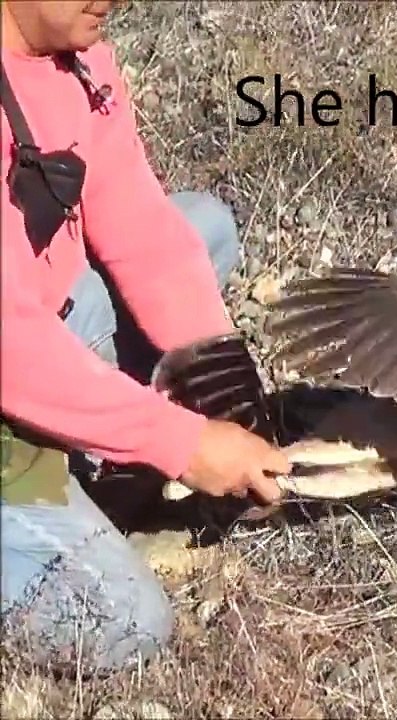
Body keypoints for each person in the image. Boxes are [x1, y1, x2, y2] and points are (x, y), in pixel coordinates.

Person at [1, 1, 292, 676]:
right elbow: (10, 345)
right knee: (123, 623)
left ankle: (76, 455)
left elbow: (139, 228)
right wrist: (180, 443)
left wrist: (225, 394)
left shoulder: (76, 59)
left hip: (35, 329)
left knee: (202, 228)